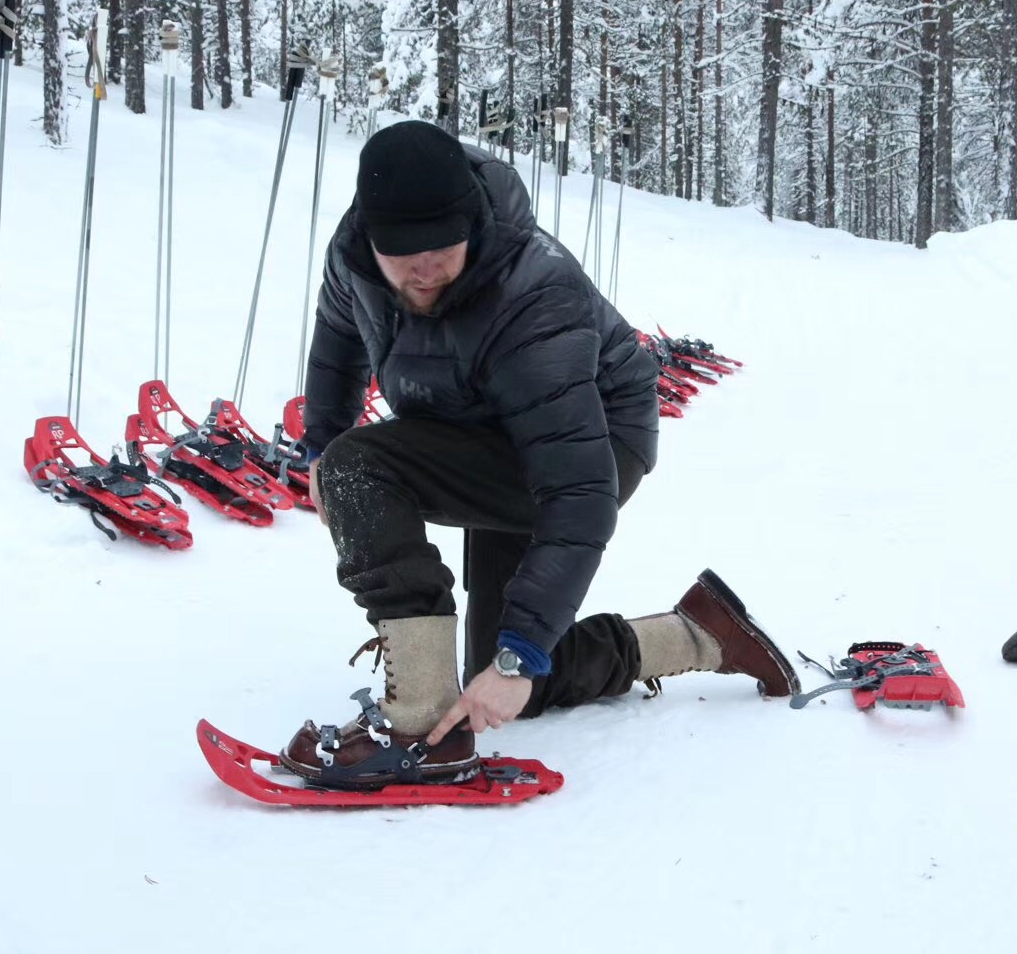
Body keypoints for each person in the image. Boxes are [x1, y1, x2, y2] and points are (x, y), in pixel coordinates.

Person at [282, 120, 798, 789]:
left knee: (374, 478)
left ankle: (418, 723)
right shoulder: (353, 258)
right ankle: (696, 635)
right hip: (482, 434)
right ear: (371, 237)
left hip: (597, 442)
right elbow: (338, 333)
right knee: (509, 677)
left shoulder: (533, 294)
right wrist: (321, 442)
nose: (426, 266)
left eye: (444, 245)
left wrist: (520, 657)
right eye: (405, 253)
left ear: (471, 221)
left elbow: (579, 493)